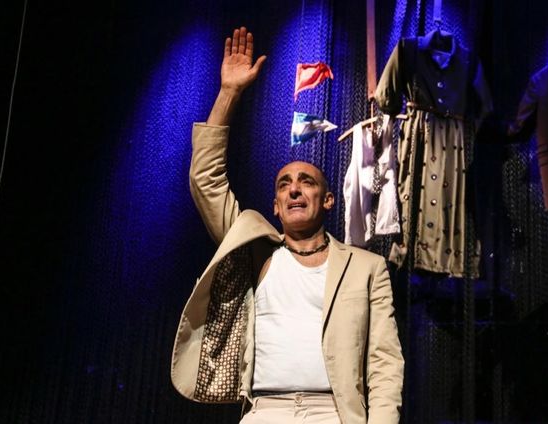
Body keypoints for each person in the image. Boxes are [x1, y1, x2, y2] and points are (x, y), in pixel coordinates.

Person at [171, 27, 404, 424]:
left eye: (306, 182)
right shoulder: (256, 251)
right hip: (265, 411)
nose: (294, 189)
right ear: (276, 206)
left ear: (327, 200)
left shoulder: (367, 268)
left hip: (333, 414)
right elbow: (206, 180)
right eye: (284, 185)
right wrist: (228, 93)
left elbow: (384, 362)